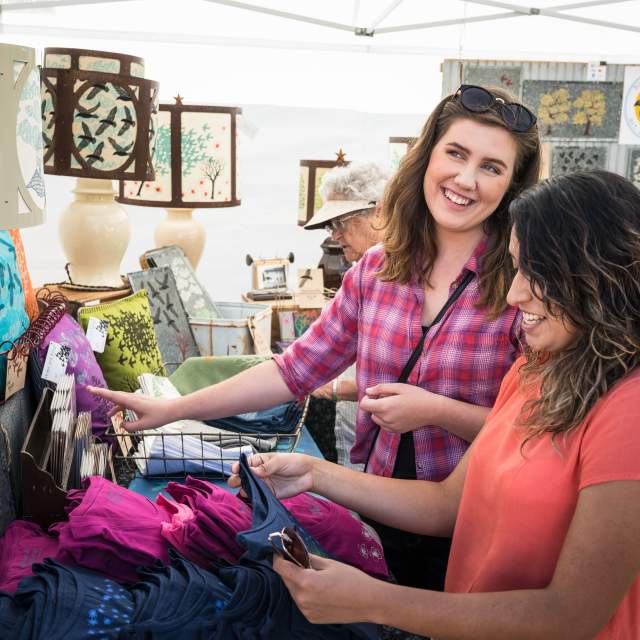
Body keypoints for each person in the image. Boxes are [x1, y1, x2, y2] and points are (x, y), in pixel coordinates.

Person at [90, 84, 541, 590]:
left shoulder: (525, 285)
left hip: (482, 524)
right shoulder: (378, 270)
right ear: (427, 156)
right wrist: (173, 409)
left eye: (492, 167)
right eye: (456, 153)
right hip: (381, 509)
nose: (465, 179)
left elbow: (539, 434)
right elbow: (295, 370)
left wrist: (438, 411)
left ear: (512, 187)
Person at [229, 171, 640, 639]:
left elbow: (569, 615)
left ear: (603, 277)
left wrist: (374, 599)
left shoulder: (628, 411)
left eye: (537, 275)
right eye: (515, 267)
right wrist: (313, 474)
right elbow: (448, 504)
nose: (514, 294)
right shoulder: (537, 371)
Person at [305, 162, 388, 470]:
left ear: (379, 211)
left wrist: (333, 389)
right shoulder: (361, 274)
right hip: (360, 430)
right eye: (331, 225)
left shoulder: (398, 279)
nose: (335, 234)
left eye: (341, 221)